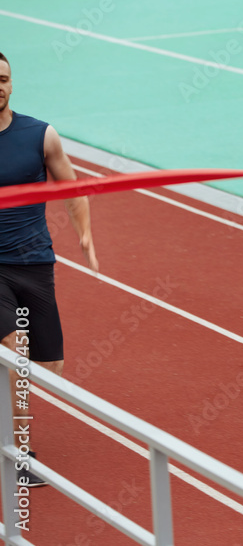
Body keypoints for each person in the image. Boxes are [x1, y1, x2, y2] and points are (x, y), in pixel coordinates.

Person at [0, 51, 99, 488]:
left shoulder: (41, 135)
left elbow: (73, 189)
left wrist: (86, 236)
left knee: (49, 364)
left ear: (12, 83)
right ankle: (19, 453)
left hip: (35, 261)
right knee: (14, 348)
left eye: (3, 79)